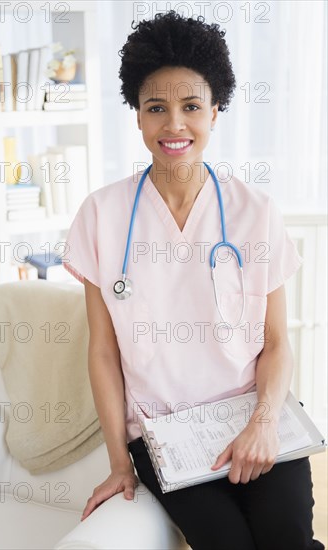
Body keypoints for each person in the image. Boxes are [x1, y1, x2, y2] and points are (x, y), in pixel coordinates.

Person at [62, 11, 324, 550]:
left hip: (252, 416)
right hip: (163, 438)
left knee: (288, 537)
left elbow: (276, 344)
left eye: (191, 107)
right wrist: (120, 464)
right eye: (156, 108)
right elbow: (104, 354)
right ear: (137, 116)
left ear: (215, 111)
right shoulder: (101, 216)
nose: (174, 125)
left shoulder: (256, 212)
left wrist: (265, 420)